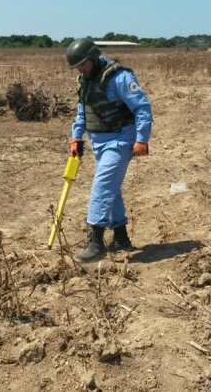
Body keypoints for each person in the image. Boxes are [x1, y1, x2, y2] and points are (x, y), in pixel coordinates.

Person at [65, 38, 153, 263]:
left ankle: (96, 240)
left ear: (94, 57)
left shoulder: (119, 77)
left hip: (121, 140)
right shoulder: (84, 81)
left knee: (102, 186)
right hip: (98, 143)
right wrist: (76, 136)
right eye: (77, 66)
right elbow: (83, 112)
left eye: (84, 64)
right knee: (111, 188)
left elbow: (141, 107)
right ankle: (122, 237)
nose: (81, 69)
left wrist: (141, 139)